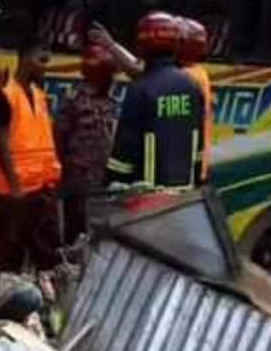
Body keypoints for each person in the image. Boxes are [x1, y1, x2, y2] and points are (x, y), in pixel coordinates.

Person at [0, 36, 62, 274]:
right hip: (15, 192)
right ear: (26, 59)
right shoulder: (4, 96)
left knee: (47, 251)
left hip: (41, 188)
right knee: (10, 253)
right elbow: (1, 144)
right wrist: (15, 186)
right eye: (42, 60)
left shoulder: (38, 95)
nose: (45, 66)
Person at [107, 12, 205, 189]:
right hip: (185, 194)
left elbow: (125, 150)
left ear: (141, 45)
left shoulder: (140, 89)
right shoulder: (192, 86)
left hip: (149, 196)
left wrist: (111, 181)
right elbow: (198, 147)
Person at [54, 39, 118, 240]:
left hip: (102, 179)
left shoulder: (110, 102)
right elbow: (59, 138)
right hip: (78, 179)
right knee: (76, 231)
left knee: (98, 231)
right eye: (109, 74)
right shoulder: (74, 100)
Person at [177, 17, 213, 184]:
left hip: (187, 167)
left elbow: (142, 75)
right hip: (194, 164)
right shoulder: (197, 71)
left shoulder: (188, 76)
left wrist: (111, 47)